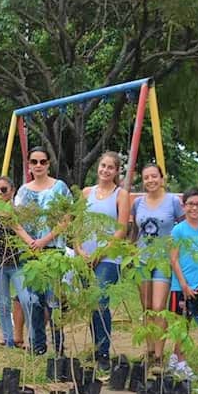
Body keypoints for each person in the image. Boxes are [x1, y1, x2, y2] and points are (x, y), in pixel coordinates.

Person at [15, 146, 71, 355]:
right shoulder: (23, 191)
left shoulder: (60, 188)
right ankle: (38, 345)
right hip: (31, 252)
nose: (38, 166)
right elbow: (16, 222)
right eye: (34, 162)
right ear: (29, 165)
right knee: (33, 300)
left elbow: (66, 219)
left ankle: (58, 347)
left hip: (53, 251)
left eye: (42, 162)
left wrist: (44, 240)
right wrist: (31, 241)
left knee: (53, 300)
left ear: (48, 164)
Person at [79, 151, 131, 371]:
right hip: (85, 256)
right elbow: (77, 224)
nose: (105, 170)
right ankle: (96, 345)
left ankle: (103, 353)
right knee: (91, 303)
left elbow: (121, 229)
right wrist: (79, 250)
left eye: (111, 167)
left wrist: (101, 252)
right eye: (103, 166)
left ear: (117, 171)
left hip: (109, 258)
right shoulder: (86, 192)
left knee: (100, 301)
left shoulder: (121, 194)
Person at [129, 163, 183, 366]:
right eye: (146, 177)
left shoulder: (173, 202)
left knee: (159, 307)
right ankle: (150, 351)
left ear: (162, 178)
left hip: (164, 260)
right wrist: (131, 252)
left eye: (154, 176)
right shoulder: (138, 203)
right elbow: (135, 230)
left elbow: (184, 225)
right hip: (142, 260)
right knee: (147, 308)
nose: (150, 180)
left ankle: (160, 356)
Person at [0, 176, 32, 348]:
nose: (0, 193)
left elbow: (25, 235)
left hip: (18, 264)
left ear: (13, 190)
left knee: (26, 299)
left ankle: (33, 339)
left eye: (4, 189)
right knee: (3, 303)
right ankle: (8, 340)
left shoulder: (20, 212)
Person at [168, 188, 198, 380]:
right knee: (180, 324)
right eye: (190, 204)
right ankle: (181, 362)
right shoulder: (178, 230)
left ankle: (175, 358)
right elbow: (174, 259)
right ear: (184, 206)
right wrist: (184, 285)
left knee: (188, 324)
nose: (194, 208)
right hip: (181, 287)